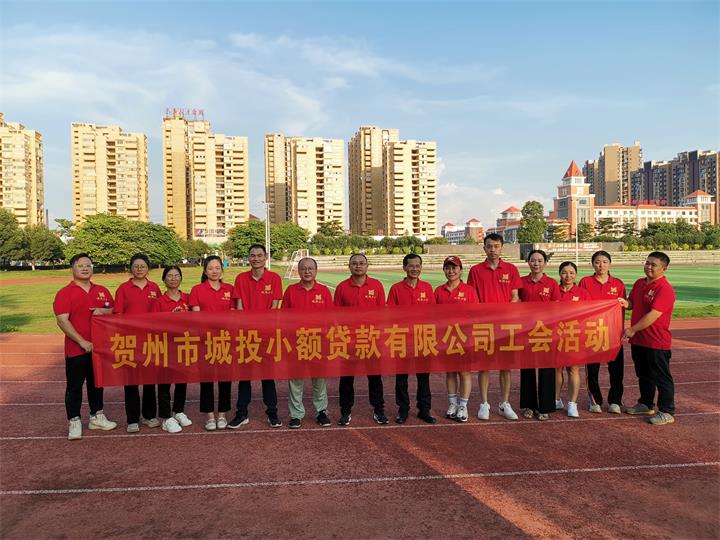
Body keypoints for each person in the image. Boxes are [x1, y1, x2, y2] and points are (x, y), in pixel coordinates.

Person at [53, 253, 117, 440]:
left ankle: (97, 416)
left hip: (99, 348)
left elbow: (113, 310)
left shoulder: (102, 290)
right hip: (76, 349)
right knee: (75, 386)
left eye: (88, 265)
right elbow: (62, 321)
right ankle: (74, 420)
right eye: (80, 265)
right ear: (72, 268)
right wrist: (81, 341)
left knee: (97, 383)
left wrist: (104, 310)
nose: (85, 268)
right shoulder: (65, 293)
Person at [467, 233, 521, 421]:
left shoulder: (511, 269)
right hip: (484, 326)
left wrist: (506, 315)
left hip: (505, 326)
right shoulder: (475, 270)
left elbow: (515, 296)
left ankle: (504, 403)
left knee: (505, 367)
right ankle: (484, 403)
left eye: (496, 246)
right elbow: (473, 298)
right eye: (489, 246)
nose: (493, 250)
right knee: (484, 366)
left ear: (502, 247)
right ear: (484, 248)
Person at [619, 252, 677, 425]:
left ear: (664, 268)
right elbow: (632, 303)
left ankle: (667, 411)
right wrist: (624, 303)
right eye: (647, 263)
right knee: (644, 374)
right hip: (639, 340)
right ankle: (645, 403)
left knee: (661, 377)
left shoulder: (664, 289)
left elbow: (654, 315)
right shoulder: (639, 283)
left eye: (653, 265)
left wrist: (632, 329)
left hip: (656, 341)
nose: (648, 267)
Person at [229, 244, 282, 428]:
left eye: (260, 255)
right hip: (246, 335)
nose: (256, 258)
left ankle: (272, 413)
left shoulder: (274, 278)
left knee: (268, 377)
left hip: (267, 335)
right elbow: (239, 307)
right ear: (248, 258)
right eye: (253, 255)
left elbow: (275, 307)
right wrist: (246, 330)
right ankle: (241, 414)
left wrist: (264, 329)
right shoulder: (241, 278)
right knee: (245, 377)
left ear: (265, 257)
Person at [334, 253, 387, 426]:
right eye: (354, 263)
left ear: (367, 266)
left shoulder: (377, 286)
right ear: (349, 266)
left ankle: (379, 410)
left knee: (375, 378)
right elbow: (336, 315)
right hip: (349, 341)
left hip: (371, 339)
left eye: (362, 263)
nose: (358, 266)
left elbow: (382, 313)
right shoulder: (342, 287)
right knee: (346, 379)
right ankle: (345, 411)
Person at [281, 257, 333, 429]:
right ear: (299, 271)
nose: (307, 271)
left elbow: (330, 318)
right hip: (297, 343)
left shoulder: (324, 291)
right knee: (295, 381)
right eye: (304, 268)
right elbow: (284, 317)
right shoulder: (291, 291)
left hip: (318, 342)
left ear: (316, 271)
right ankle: (296, 414)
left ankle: (321, 411)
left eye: (311, 268)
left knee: (319, 380)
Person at [114, 253, 162, 433]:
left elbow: (160, 313)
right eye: (136, 266)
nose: (139, 269)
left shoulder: (154, 287)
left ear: (148, 268)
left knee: (150, 381)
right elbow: (118, 315)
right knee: (131, 382)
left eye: (143, 266)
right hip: (130, 341)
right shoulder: (123, 289)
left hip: (150, 341)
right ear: (131, 268)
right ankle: (132, 419)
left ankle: (149, 416)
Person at [387, 254, 437, 424]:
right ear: (404, 268)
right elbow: (390, 315)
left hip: (423, 338)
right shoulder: (396, 289)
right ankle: (403, 409)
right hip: (402, 339)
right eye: (411, 266)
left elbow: (433, 314)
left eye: (417, 266)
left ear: (421, 267)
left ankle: (424, 409)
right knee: (402, 378)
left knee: (423, 377)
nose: (414, 269)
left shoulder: (427, 288)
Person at [189, 256, 234, 431]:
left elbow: (233, 315)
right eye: (210, 268)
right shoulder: (197, 290)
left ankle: (222, 414)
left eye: (217, 268)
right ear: (205, 271)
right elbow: (196, 317)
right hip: (205, 341)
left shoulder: (229, 289)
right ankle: (209, 415)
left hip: (225, 341)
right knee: (206, 380)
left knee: (225, 379)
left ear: (222, 270)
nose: (214, 271)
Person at [579, 250, 627, 414]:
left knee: (616, 369)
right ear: (592, 264)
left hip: (613, 332)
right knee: (592, 370)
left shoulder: (618, 284)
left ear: (610, 264)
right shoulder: (585, 282)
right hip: (592, 331)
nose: (601, 265)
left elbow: (622, 307)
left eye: (605, 262)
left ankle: (615, 401)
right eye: (597, 262)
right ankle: (595, 401)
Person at [434, 256, 479, 423]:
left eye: (454, 268)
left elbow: (476, 315)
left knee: (464, 372)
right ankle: (453, 404)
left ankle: (463, 406)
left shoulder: (469, 291)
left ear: (460, 270)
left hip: (464, 338)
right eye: (448, 268)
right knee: (450, 372)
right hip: (446, 338)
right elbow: (433, 316)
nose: (451, 271)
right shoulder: (439, 291)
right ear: (444, 270)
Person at [518, 250, 560, 421]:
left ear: (545, 263)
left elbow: (558, 307)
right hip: (526, 331)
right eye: (533, 260)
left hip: (546, 332)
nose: (536, 264)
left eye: (540, 260)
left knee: (547, 369)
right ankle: (529, 405)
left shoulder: (551, 283)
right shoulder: (521, 282)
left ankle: (545, 407)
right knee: (527, 369)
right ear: (528, 262)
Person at [151, 266, 193, 433]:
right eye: (170, 276)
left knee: (182, 381)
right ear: (164, 279)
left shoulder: (188, 298)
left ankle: (178, 411)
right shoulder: (159, 302)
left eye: (177, 275)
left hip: (184, 345)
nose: (173, 279)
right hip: (165, 346)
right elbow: (153, 325)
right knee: (164, 383)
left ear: (181, 278)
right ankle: (166, 417)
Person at [556, 261, 591, 418]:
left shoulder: (582, 293)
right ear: (559, 274)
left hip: (575, 336)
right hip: (556, 336)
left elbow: (590, 314)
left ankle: (572, 403)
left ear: (576, 275)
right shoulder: (554, 291)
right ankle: (556, 399)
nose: (568, 276)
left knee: (573, 369)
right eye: (564, 272)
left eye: (571, 273)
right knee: (556, 369)